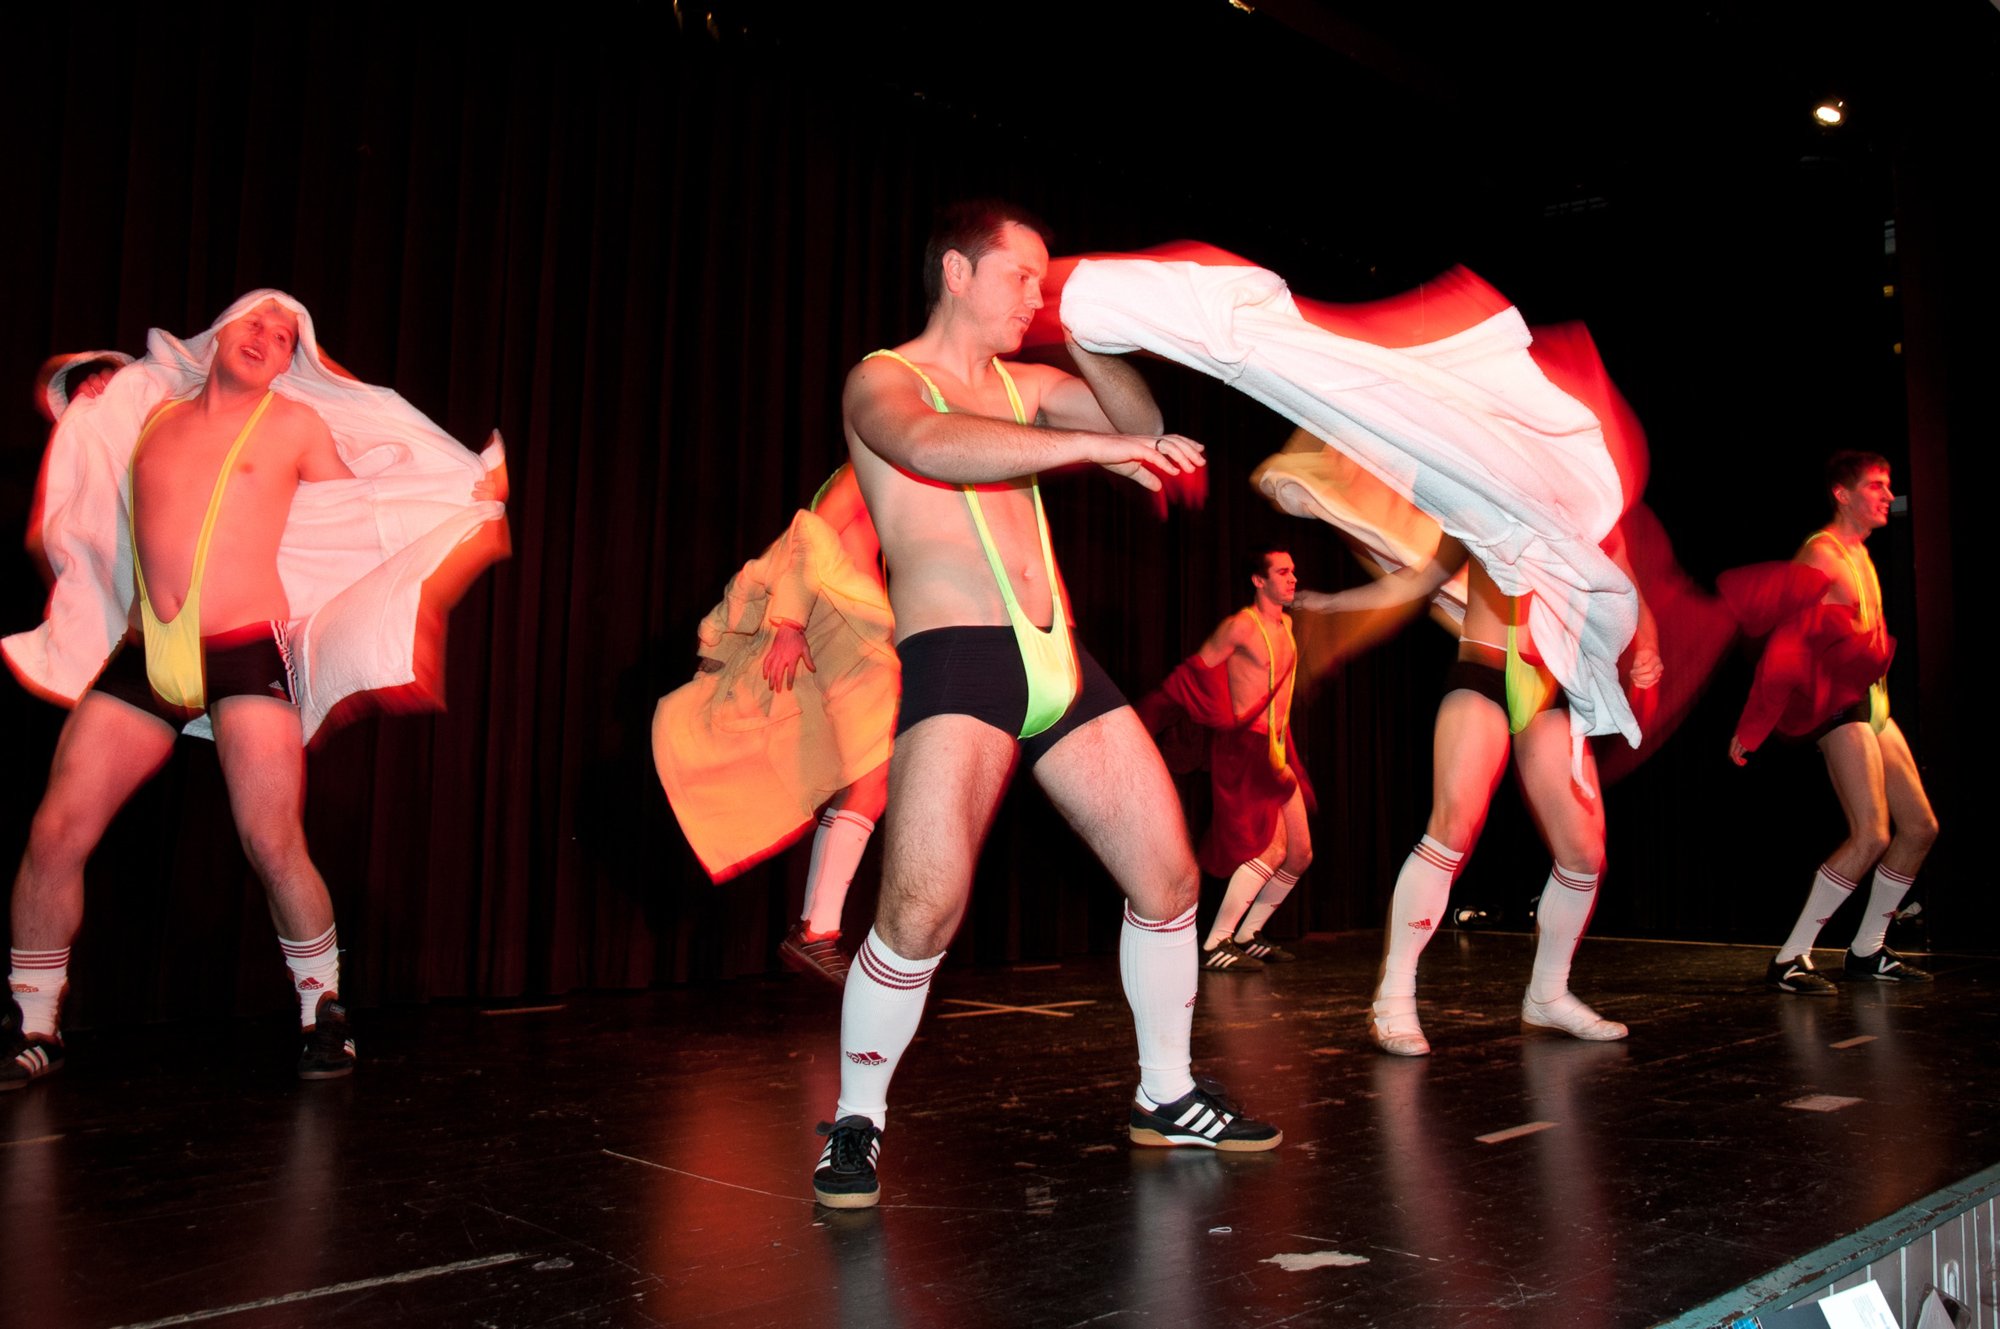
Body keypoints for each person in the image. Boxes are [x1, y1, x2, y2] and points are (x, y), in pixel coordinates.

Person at [810, 201, 1280, 1209]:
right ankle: (856, 1119)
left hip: (1056, 662)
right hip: (958, 660)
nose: (1035, 291)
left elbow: (1140, 433)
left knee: (1166, 879)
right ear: (954, 271)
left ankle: (1165, 1093)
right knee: (920, 911)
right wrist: (1082, 453)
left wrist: (1084, 330)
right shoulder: (882, 378)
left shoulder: (1031, 384)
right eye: (1020, 276)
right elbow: (932, 446)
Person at [2, 292, 505, 1090]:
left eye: (284, 335)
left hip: (243, 652)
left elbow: (361, 509)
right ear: (219, 333)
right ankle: (33, 1022)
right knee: (56, 831)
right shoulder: (151, 408)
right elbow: (71, 398)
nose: (268, 338)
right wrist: (87, 377)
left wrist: (450, 500)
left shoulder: (296, 424)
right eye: (255, 323)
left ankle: (324, 1013)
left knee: (272, 840)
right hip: (146, 652)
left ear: (290, 357)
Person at [1299, 527, 1660, 1056]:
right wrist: (1330, 604)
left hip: (1550, 686)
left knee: (1584, 855)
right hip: (1485, 670)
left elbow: (1625, 588)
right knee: (1453, 827)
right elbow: (1421, 579)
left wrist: (1647, 645)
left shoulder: (1593, 505)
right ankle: (1392, 998)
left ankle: (1548, 995)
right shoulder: (1488, 481)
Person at [653, 465, 895, 986]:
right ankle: (816, 931)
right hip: (847, 633)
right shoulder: (869, 463)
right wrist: (788, 623)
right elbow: (805, 534)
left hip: (859, 634)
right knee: (870, 775)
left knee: (865, 777)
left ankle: (817, 929)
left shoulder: (896, 471)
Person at [1728, 452, 1937, 993]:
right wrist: (1752, 728)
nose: (1888, 495)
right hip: (1838, 709)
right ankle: (1790, 957)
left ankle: (1866, 951)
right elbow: (1785, 649)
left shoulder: (1860, 554)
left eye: (1889, 486)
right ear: (1842, 494)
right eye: (1876, 486)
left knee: (1919, 828)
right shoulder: (1819, 557)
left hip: (1874, 703)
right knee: (1870, 834)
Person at [1138, 548, 1315, 973]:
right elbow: (1191, 676)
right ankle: (1215, 942)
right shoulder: (1239, 627)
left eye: (1294, 571)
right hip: (1244, 749)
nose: (1293, 579)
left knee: (1300, 854)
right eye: (1283, 572)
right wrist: (1142, 723)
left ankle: (1247, 934)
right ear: (1259, 580)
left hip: (1274, 749)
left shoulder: (1287, 625)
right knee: (1270, 849)